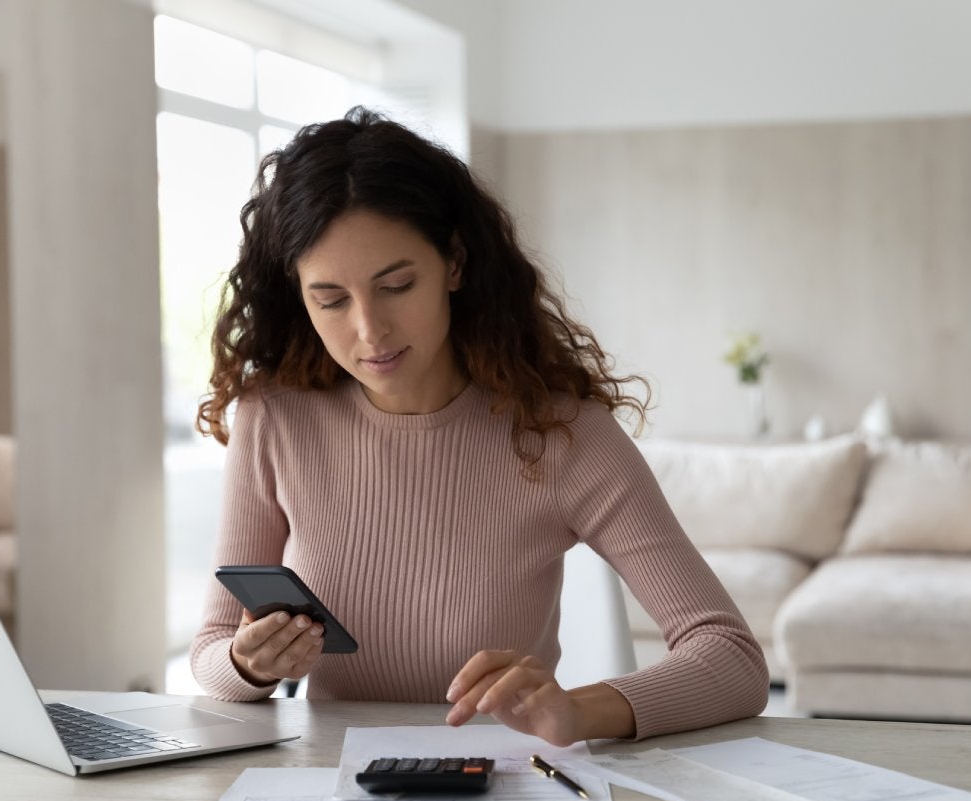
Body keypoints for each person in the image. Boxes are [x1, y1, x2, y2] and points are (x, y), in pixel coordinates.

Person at [190, 107, 768, 746]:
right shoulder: (276, 417)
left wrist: (580, 710)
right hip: (329, 787)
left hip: (501, 787)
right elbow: (213, 653)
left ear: (455, 264)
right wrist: (249, 663)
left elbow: (732, 658)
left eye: (398, 285)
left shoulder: (560, 431)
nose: (369, 330)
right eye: (330, 299)